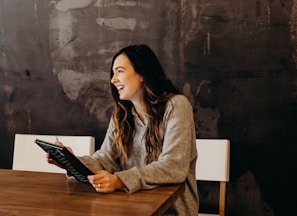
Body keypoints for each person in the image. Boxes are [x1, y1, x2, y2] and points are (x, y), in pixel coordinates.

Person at [48, 44, 199, 215]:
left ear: (142, 73)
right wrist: (71, 162)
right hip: (130, 207)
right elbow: (106, 160)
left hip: (170, 211)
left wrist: (119, 180)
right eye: (113, 73)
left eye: (119, 71)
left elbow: (173, 167)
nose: (113, 79)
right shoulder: (121, 115)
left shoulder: (176, 105)